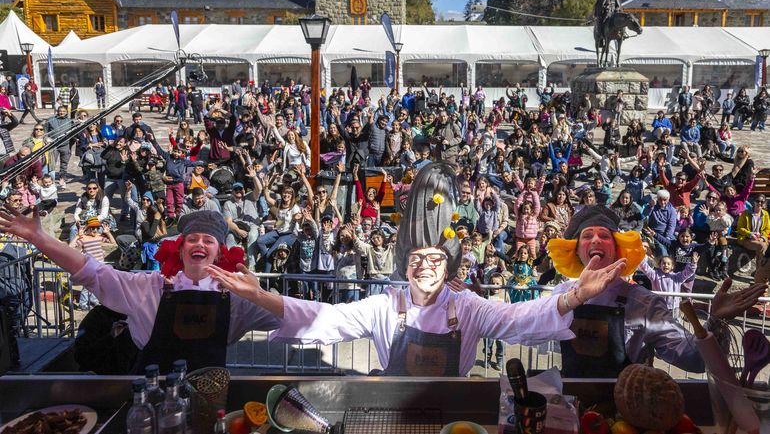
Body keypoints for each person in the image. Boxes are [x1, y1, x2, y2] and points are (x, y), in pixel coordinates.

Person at [209, 163, 626, 377]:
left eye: (435, 260)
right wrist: (260, 295)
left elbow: (519, 318)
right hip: (392, 410)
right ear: (405, 265)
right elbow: (325, 318)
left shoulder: (469, 306)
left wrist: (575, 296)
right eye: (417, 260)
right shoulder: (383, 305)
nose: (425, 266)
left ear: (449, 266)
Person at [0, 208, 281, 373]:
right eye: (192, 238)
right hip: (149, 401)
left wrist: (260, 295)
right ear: (180, 249)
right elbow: (91, 270)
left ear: (219, 253)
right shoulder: (147, 287)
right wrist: (39, 238)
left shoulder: (238, 300)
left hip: (210, 404)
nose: (199, 244)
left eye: (209, 240)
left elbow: (292, 316)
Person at [549, 205, 766, 377]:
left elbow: (695, 360)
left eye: (604, 236)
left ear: (618, 249)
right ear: (575, 251)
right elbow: (521, 328)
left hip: (629, 417)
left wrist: (716, 322)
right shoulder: (559, 297)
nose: (596, 240)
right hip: (569, 412)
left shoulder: (644, 303)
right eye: (587, 236)